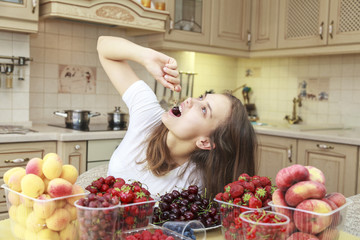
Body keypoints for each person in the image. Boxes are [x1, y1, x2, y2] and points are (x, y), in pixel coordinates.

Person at [97, 36, 257, 197]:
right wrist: (145, 56)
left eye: (203, 110)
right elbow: (103, 45)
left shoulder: (195, 183)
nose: (190, 100)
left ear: (205, 142)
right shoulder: (148, 116)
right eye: (201, 97)